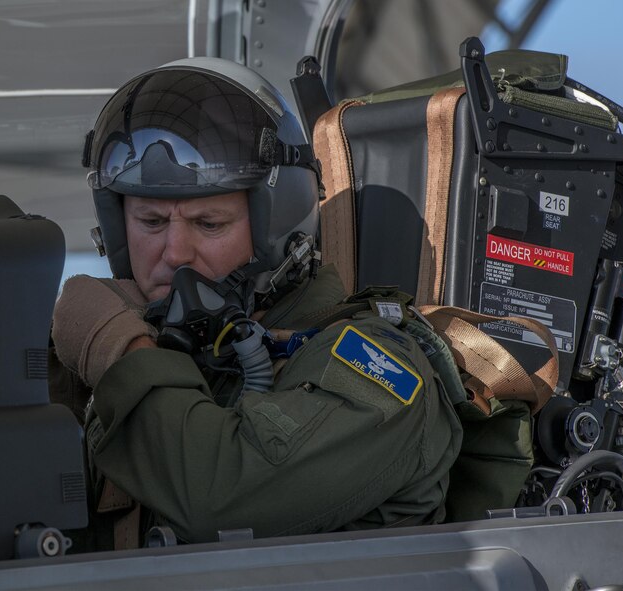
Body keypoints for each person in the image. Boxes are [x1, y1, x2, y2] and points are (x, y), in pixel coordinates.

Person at [49, 57, 464, 549]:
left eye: (209, 224)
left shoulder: (377, 369)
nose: (175, 252)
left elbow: (215, 499)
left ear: (279, 230)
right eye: (151, 223)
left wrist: (118, 346)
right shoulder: (174, 353)